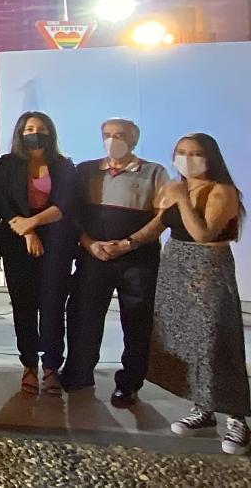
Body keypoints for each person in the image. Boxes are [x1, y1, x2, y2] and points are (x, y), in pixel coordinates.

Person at [145, 134, 247, 455]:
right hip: (175, 272)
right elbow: (156, 226)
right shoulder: (177, 189)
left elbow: (203, 233)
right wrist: (122, 244)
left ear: (211, 157)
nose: (188, 159)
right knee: (188, 342)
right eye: (182, 153)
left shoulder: (223, 191)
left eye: (196, 153)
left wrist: (182, 199)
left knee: (217, 341)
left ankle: (237, 417)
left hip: (209, 274)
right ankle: (203, 409)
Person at [61, 118, 167, 406]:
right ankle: (78, 373)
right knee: (82, 314)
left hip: (138, 260)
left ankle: (130, 383)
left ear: (133, 140)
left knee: (136, 321)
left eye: (119, 135)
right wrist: (89, 244)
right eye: (107, 134)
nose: (112, 140)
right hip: (93, 255)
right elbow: (73, 214)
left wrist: (129, 243)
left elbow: (162, 217)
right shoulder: (85, 171)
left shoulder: (155, 172)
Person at [0, 111, 77, 396]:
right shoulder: (8, 163)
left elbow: (64, 203)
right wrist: (27, 232)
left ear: (50, 133)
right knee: (24, 305)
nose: (35, 132)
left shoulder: (64, 165)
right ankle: (29, 364)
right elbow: (3, 202)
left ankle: (52, 366)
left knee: (53, 305)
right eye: (29, 128)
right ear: (20, 132)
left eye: (40, 128)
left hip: (56, 239)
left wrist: (34, 224)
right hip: (18, 240)